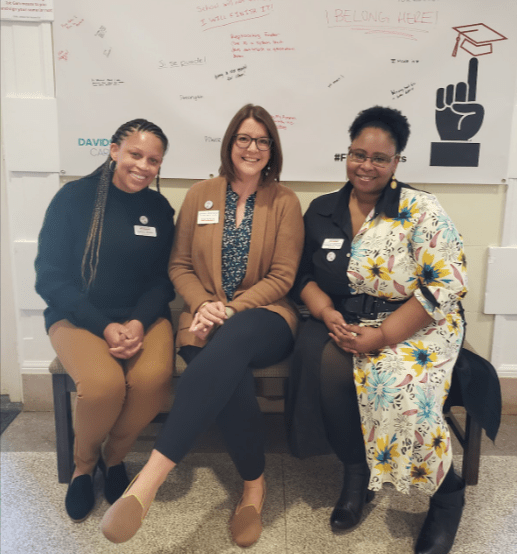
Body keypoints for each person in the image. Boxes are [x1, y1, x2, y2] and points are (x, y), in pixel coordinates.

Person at [101, 104, 304, 546]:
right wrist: (204, 303)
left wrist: (230, 310)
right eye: (243, 139)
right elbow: (179, 265)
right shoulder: (200, 195)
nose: (252, 148)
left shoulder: (285, 201)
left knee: (236, 338)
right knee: (232, 385)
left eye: (262, 140)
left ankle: (148, 482)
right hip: (202, 318)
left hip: (265, 319)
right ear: (230, 144)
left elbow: (283, 277)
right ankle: (254, 487)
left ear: (272, 149)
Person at [285, 106, 468, 554]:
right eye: (357, 154)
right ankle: (357, 472)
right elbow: (301, 276)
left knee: (400, 393)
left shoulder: (419, 208)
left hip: (419, 324)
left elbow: (447, 284)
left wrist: (384, 336)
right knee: (329, 371)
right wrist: (326, 311)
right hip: (349, 319)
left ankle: (447, 497)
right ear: (346, 154)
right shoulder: (322, 209)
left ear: (396, 162)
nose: (366, 166)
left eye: (379, 159)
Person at [35, 119, 175, 522]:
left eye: (154, 160)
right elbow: (50, 276)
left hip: (142, 318)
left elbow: (160, 279)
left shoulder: (158, 208)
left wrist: (136, 323)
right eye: (135, 154)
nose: (143, 166)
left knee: (151, 382)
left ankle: (114, 460)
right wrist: (104, 326)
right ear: (114, 151)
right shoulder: (73, 199)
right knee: (102, 387)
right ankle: (83, 466)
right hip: (79, 316)